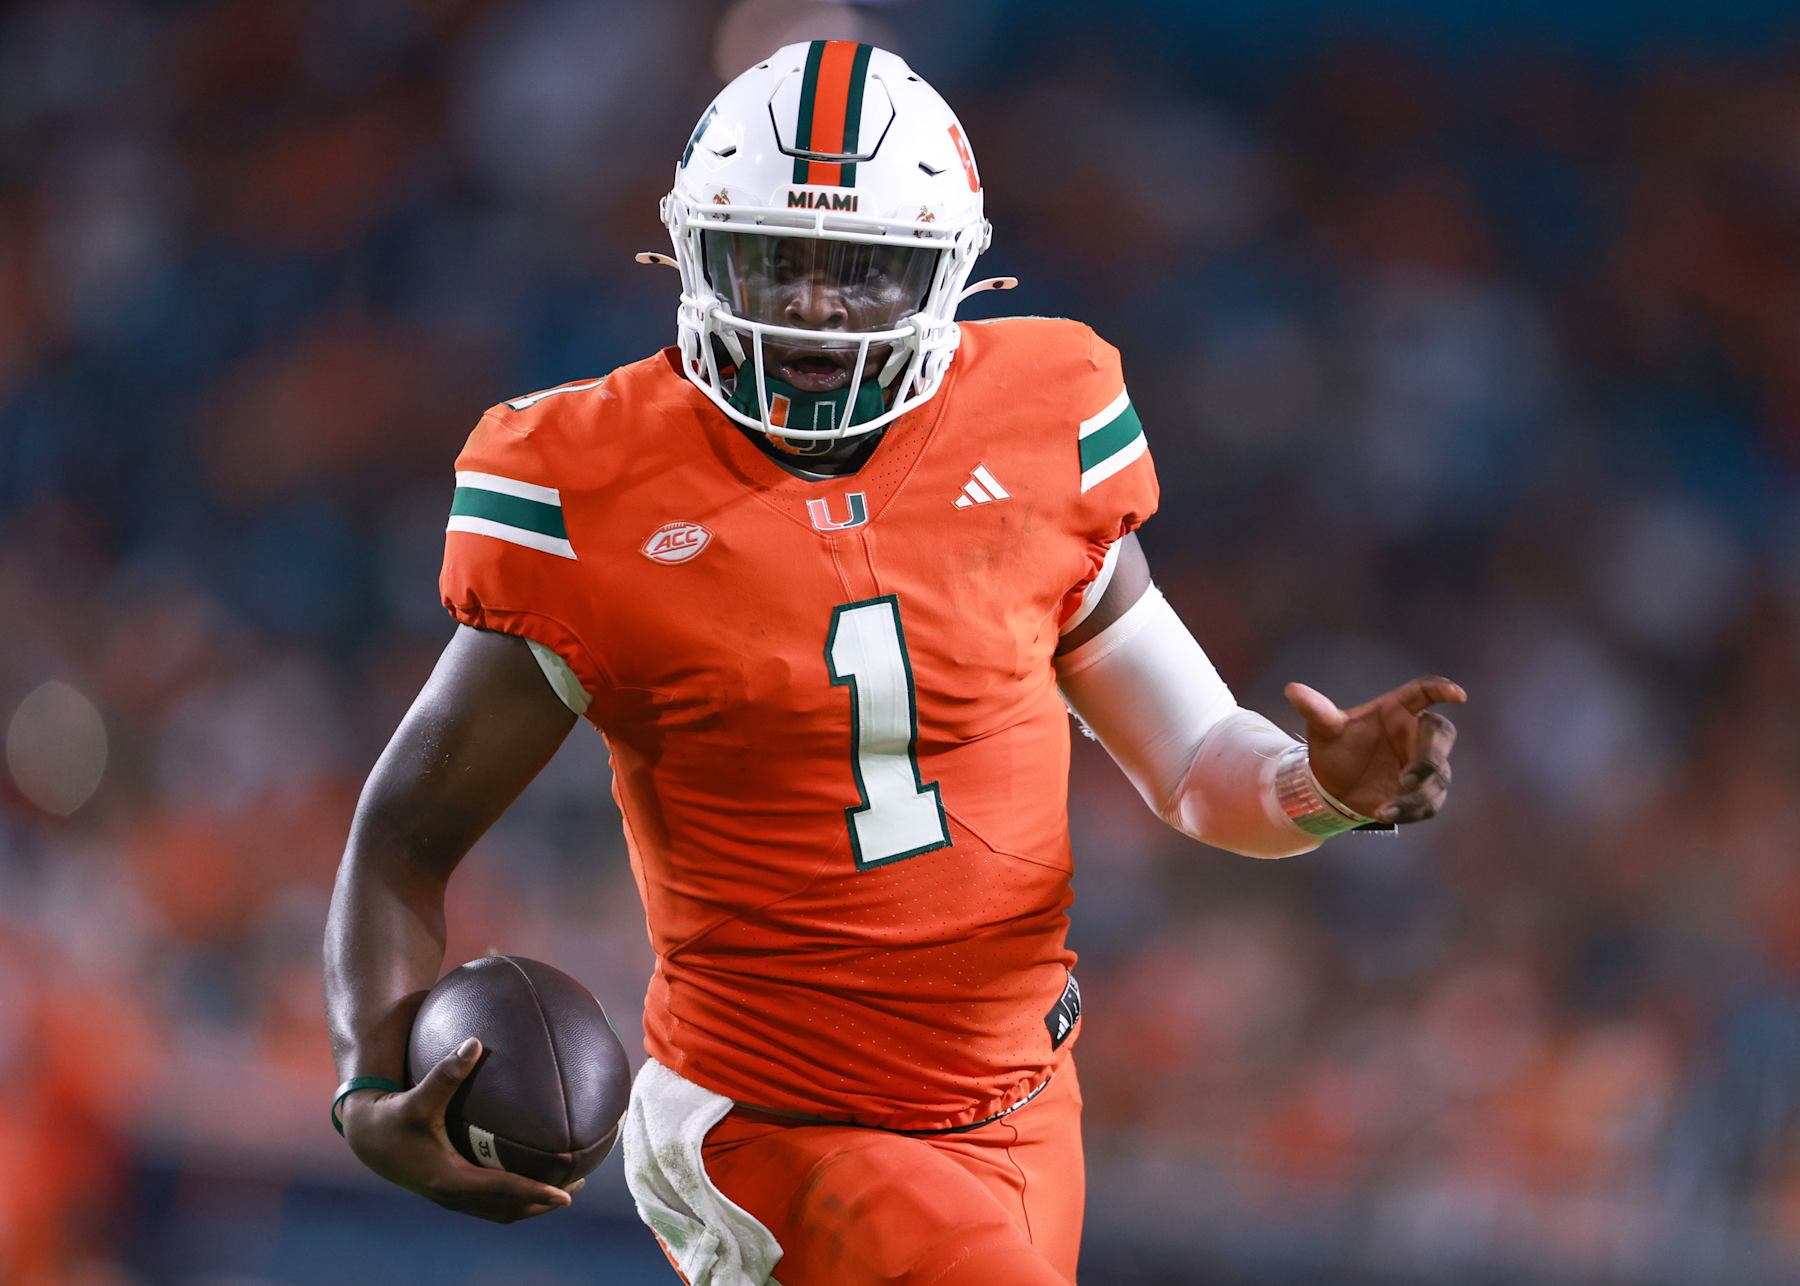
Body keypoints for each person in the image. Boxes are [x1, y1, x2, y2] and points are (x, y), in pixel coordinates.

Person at [323, 40, 1464, 1285]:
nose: (816, 306)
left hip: (1024, 1103)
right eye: (778, 259)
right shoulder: (592, 490)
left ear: (947, 272)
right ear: (698, 255)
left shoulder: (1039, 424)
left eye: (863, 269)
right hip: (776, 1126)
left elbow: (1193, 761)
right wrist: (369, 1078)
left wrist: (1320, 787)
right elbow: (405, 833)